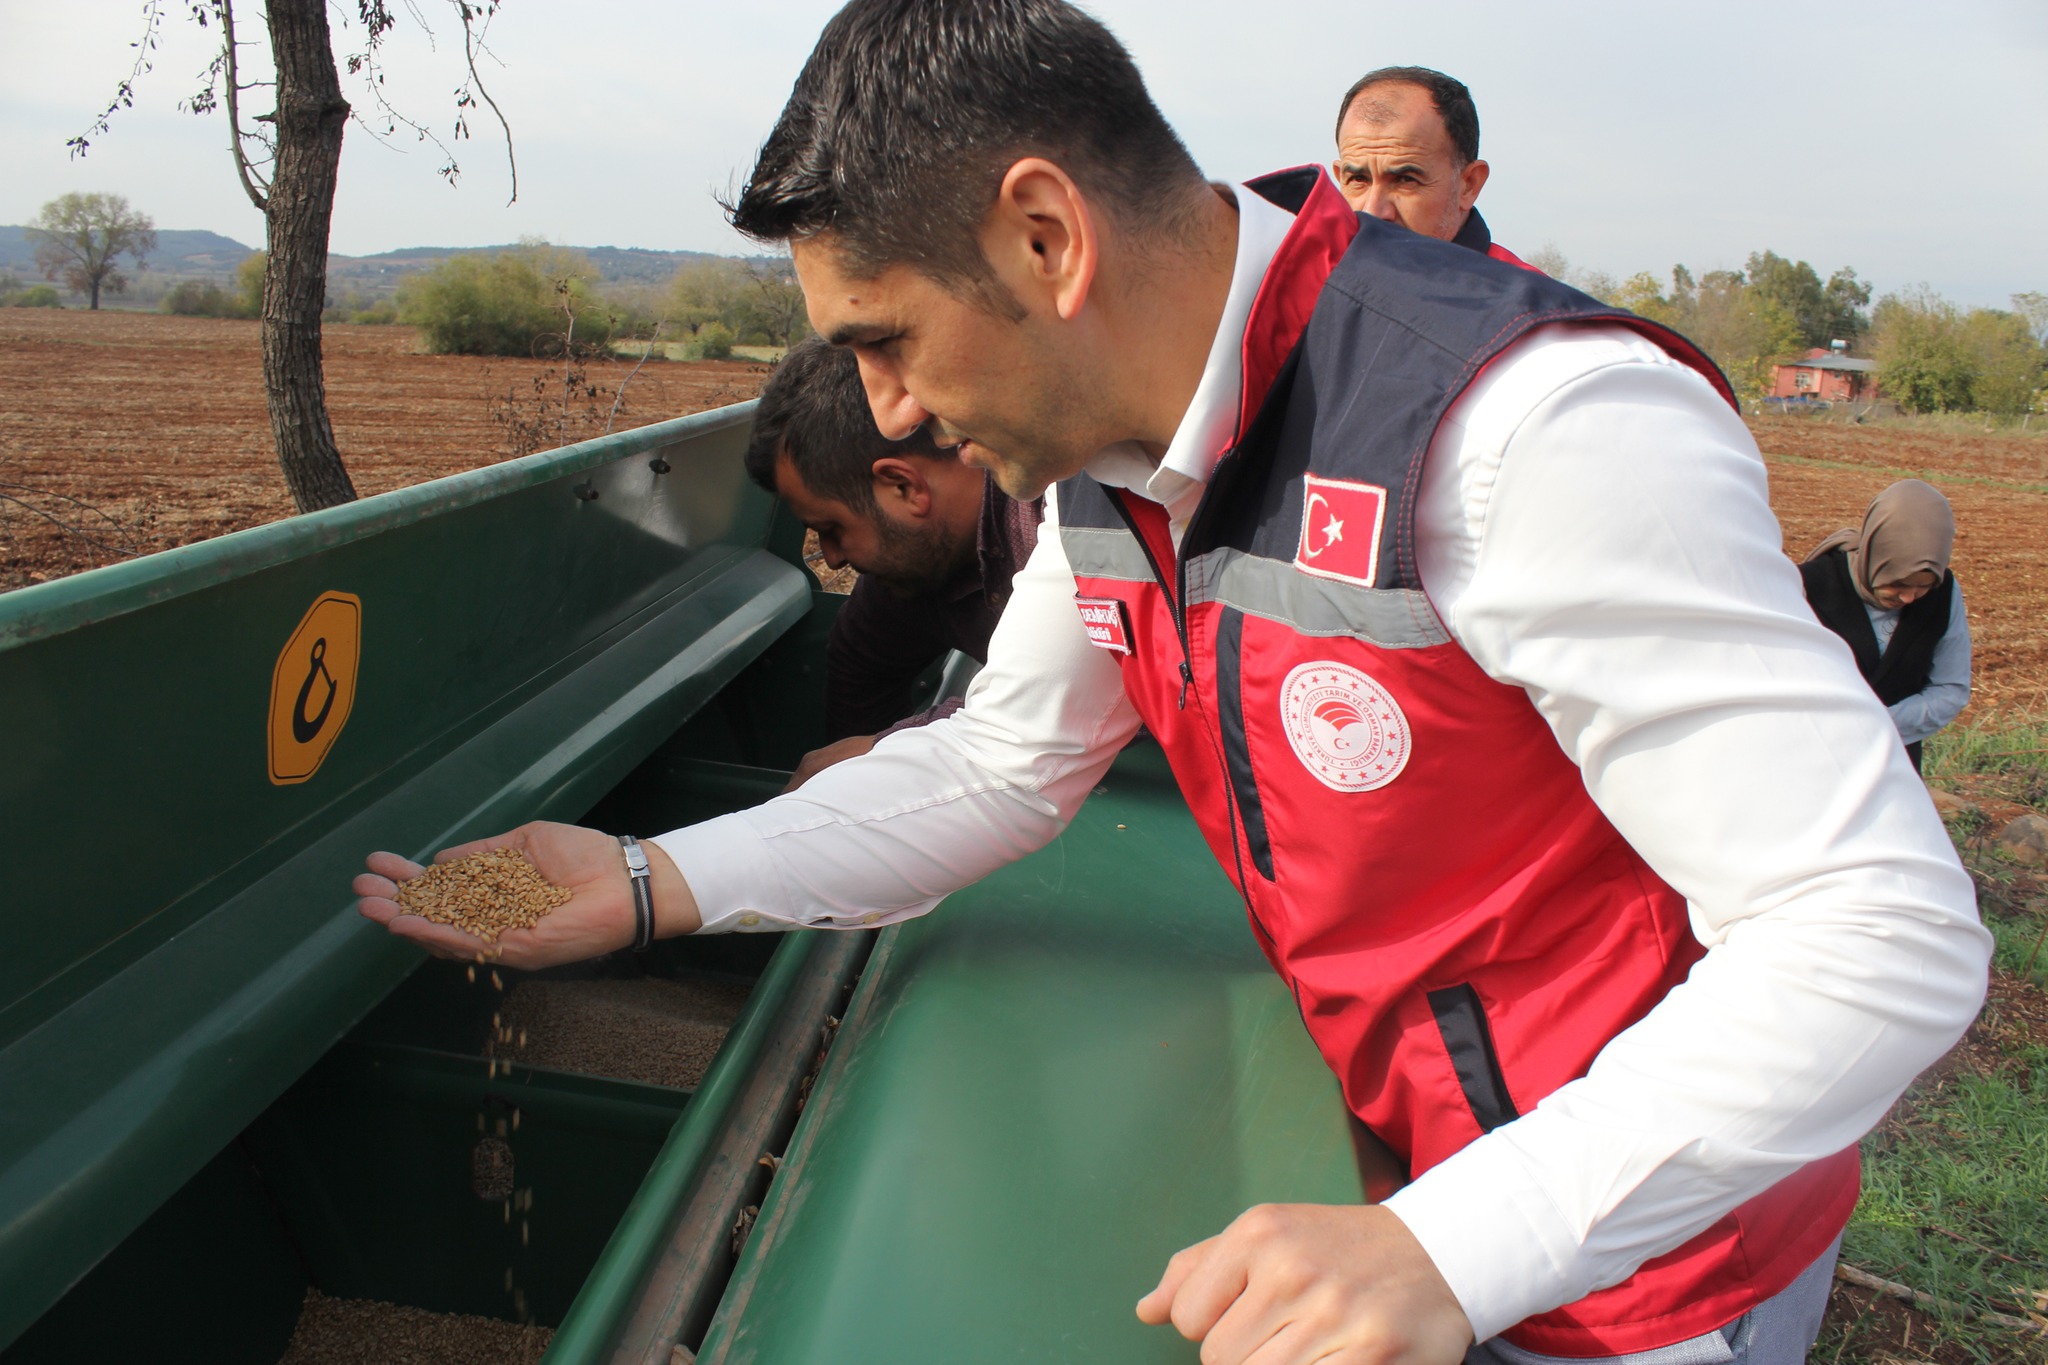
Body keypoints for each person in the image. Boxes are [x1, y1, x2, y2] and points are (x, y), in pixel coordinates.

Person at [356, 4, 1988, 1362]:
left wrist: (1448, 1246)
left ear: (1046, 238)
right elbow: (996, 767)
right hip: (1418, 1187)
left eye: (886, 340)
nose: (893, 417)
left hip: (1645, 1269)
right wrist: (648, 882)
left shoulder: (1522, 433)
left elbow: (1879, 934)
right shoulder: (1109, 473)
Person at [745, 336, 1042, 785]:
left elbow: (1072, 700)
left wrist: (898, 746)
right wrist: (857, 779)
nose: (832, 557)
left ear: (903, 487)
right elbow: (861, 664)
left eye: (833, 528)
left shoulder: (1055, 516)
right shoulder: (916, 570)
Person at [1800, 479, 1971, 771]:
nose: (1908, 597)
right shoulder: (1808, 585)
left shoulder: (1944, 593)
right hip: (1813, 756)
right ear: (1876, 556)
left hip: (1894, 763)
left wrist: (1884, 722)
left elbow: (1950, 688)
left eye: (1922, 587)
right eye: (1898, 584)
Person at [1332, 66, 1524, 266]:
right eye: (1358, 179)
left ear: (1469, 184)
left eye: (1405, 180)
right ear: (1339, 179)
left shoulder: (1530, 296)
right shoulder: (1311, 287)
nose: (1372, 211)